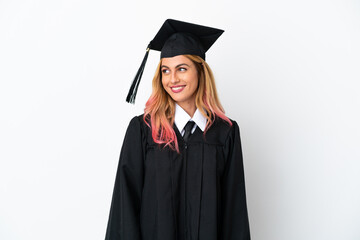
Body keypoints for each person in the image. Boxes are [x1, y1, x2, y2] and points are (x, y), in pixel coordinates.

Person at [105, 19, 251, 240]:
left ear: (200, 72)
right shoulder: (144, 130)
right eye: (165, 70)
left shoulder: (225, 133)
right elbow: (124, 207)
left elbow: (234, 214)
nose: (172, 79)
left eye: (182, 69)